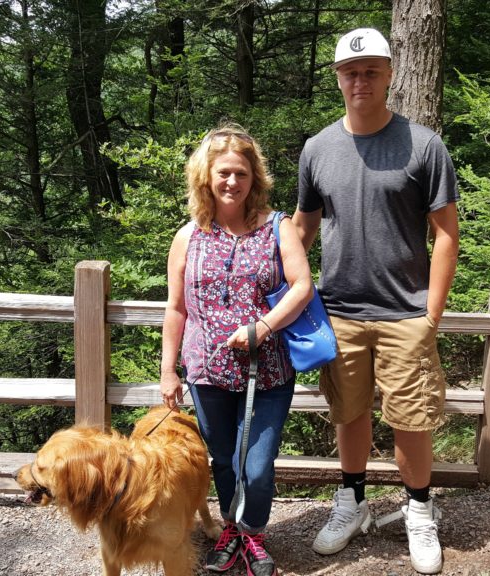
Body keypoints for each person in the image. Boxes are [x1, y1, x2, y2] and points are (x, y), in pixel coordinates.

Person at [293, 28, 460, 575]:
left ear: (390, 74)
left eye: (370, 70)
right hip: (339, 310)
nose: (360, 80)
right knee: (351, 413)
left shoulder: (423, 145)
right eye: (350, 71)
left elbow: (446, 235)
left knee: (412, 419)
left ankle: (418, 509)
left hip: (405, 313)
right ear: (338, 78)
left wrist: (430, 315)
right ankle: (353, 502)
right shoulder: (317, 149)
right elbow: (303, 229)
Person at [160, 124, 314, 576]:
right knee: (224, 460)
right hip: (206, 374)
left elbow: (302, 286)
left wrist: (262, 328)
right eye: (223, 173)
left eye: (241, 174)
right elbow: (176, 308)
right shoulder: (188, 236)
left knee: (259, 464)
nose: (232, 182)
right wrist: (169, 371)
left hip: (267, 372)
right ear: (206, 176)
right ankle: (232, 530)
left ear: (254, 178)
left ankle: (254, 533)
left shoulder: (277, 228)